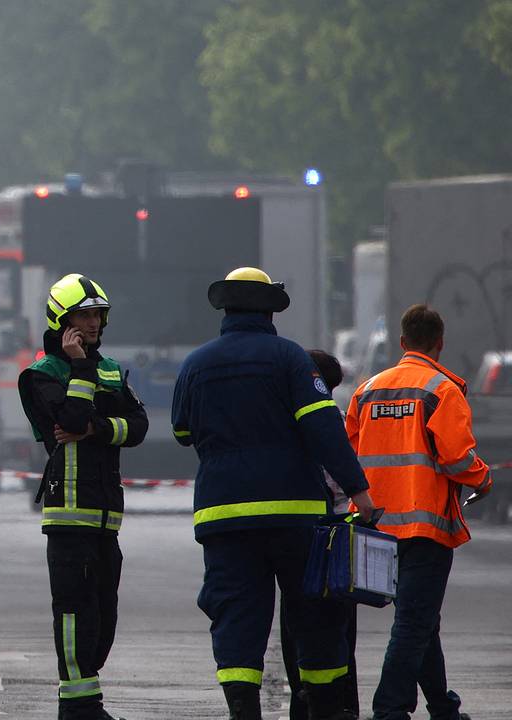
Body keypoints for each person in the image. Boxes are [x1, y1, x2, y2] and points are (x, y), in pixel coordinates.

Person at [171, 267, 376, 720]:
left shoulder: (195, 365)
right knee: (316, 615)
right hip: (295, 516)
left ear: (226, 308)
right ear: (269, 310)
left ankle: (243, 710)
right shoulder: (290, 360)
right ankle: (322, 708)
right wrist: (359, 490)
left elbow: (182, 431)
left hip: (223, 517)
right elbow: (323, 428)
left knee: (237, 619)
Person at [345, 304, 493, 720]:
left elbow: (348, 451)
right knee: (414, 621)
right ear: (440, 343)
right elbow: (457, 459)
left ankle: (442, 707)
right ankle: (389, 709)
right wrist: (483, 481)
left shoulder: (368, 390)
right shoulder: (442, 390)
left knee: (422, 620)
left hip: (376, 527)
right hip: (424, 528)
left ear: (402, 342)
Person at [17, 273, 148, 720]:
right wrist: (81, 372)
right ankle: (79, 708)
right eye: (84, 315)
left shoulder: (108, 367)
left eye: (98, 314)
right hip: (69, 513)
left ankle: (84, 699)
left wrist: (97, 427)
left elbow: (138, 427)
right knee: (75, 611)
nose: (93, 323)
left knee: (104, 617)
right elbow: (69, 416)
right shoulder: (40, 375)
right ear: (62, 320)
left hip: (107, 516)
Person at [280, 349, 360, 719]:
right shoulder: (336, 420)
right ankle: (340, 703)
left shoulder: (287, 421)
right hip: (340, 529)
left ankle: (302, 701)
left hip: (301, 528)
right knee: (338, 622)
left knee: (295, 619)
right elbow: (347, 475)